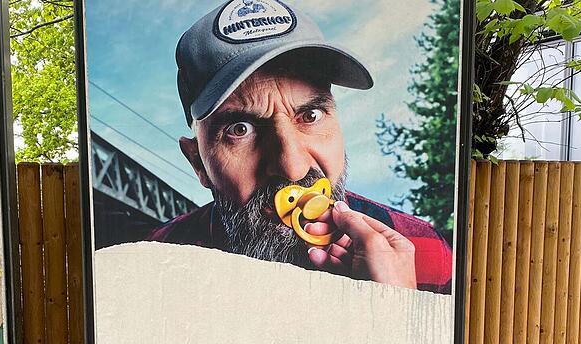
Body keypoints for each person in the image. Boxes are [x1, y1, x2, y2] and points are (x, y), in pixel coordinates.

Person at [146, 0, 453, 294]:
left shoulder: (426, 253)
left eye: (310, 115)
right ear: (198, 163)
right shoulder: (154, 265)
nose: (293, 168)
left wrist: (395, 305)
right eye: (240, 130)